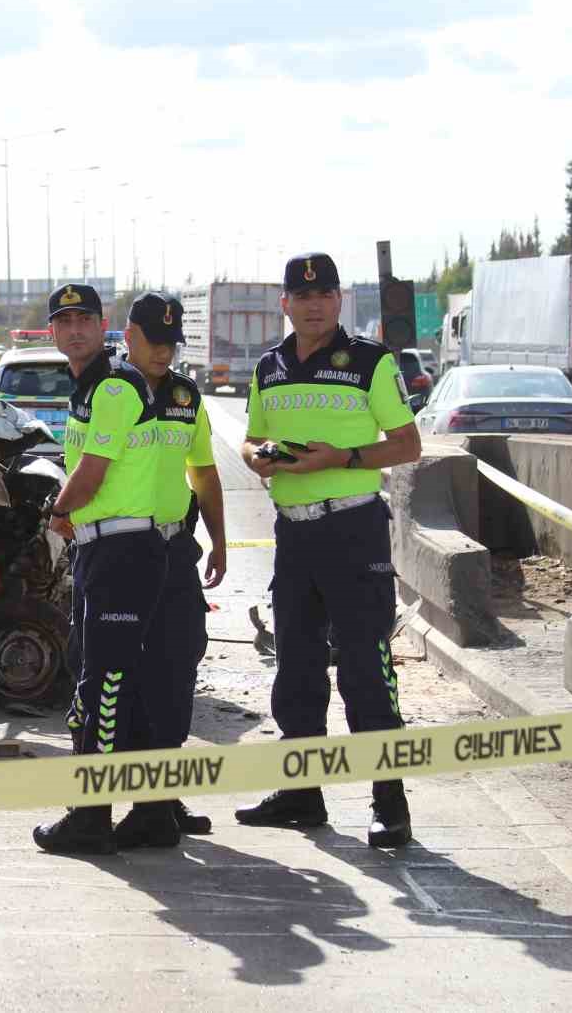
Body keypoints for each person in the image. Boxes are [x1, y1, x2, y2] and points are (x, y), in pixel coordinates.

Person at [235, 252, 423, 848]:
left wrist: (341, 458)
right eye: (302, 296)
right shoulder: (270, 367)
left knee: (367, 668)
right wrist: (256, 457)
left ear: (338, 301)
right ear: (285, 304)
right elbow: (250, 437)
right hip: (294, 534)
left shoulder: (371, 361)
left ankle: (389, 803)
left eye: (325, 295)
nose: (314, 305)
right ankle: (302, 795)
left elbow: (407, 444)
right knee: (296, 669)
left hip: (353, 530)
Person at [30, 283, 171, 856]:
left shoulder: (113, 386)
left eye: (84, 319)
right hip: (104, 548)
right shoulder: (86, 389)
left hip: (124, 551)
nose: (74, 330)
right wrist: (72, 518)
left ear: (102, 323)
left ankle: (91, 817)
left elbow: (90, 472)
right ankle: (153, 814)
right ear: (52, 332)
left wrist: (55, 512)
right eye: (63, 322)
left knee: (103, 686)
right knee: (125, 687)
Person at [122, 290, 228, 843]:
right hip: (124, 553)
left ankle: (163, 794)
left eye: (170, 343)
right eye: (153, 341)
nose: (163, 353)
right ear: (129, 337)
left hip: (174, 552)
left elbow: (204, 474)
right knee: (131, 678)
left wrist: (220, 541)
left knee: (179, 668)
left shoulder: (187, 396)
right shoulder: (112, 391)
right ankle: (141, 800)